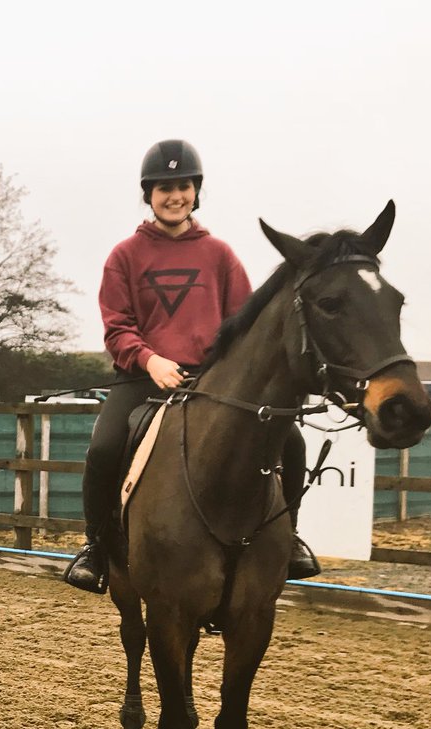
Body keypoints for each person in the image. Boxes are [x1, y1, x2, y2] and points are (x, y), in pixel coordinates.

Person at [64, 139, 319, 594]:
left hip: (211, 381)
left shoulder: (220, 255)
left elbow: (244, 325)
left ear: (196, 191)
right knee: (103, 449)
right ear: (149, 195)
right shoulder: (124, 256)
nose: (174, 195)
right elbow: (117, 327)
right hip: (144, 377)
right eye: (163, 188)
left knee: (293, 441)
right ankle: (97, 548)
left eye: (182, 186)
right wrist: (151, 359)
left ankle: (290, 539)